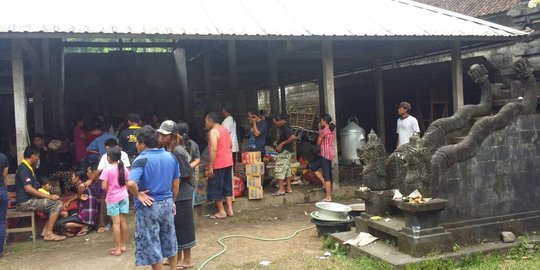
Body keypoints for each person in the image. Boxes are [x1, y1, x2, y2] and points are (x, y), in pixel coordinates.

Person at [127, 125, 180, 269]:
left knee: (151, 242)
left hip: (149, 206)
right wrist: (172, 201)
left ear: (143, 143)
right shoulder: (170, 157)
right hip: (167, 203)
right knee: (170, 237)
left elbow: (131, 183)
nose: (136, 146)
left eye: (137, 142)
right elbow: (176, 183)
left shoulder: (141, 159)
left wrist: (138, 195)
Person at [157, 120, 196, 269]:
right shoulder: (169, 150)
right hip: (175, 192)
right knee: (175, 226)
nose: (161, 137)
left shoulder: (178, 151)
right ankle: (176, 256)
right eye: (160, 134)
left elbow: (186, 173)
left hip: (183, 193)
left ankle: (187, 259)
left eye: (164, 135)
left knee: (184, 226)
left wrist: (172, 179)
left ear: (172, 136)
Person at [15, 147, 66, 241]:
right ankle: (49, 233)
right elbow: (28, 189)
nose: (38, 159)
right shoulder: (24, 169)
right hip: (25, 203)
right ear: (33, 156)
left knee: (54, 203)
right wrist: (49, 196)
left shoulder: (29, 168)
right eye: (38, 157)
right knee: (57, 204)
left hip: (30, 201)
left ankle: (44, 231)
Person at [100, 147, 130, 256]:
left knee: (116, 223)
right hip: (124, 196)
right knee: (123, 221)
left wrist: (111, 190)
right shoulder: (124, 168)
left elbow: (103, 186)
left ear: (109, 158)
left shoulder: (107, 170)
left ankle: (117, 248)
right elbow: (127, 183)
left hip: (113, 198)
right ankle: (123, 245)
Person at [205, 112, 234, 219]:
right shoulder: (225, 129)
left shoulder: (213, 132)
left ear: (211, 121)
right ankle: (230, 210)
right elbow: (231, 145)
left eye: (206, 121)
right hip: (228, 162)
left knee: (216, 187)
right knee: (227, 185)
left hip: (218, 164)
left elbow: (213, 149)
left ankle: (222, 212)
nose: (205, 124)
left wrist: (211, 166)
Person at [59, 170, 98, 237]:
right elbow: (78, 195)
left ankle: (84, 225)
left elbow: (79, 195)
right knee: (71, 212)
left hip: (85, 216)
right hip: (91, 216)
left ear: (77, 178)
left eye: (73, 176)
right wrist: (69, 201)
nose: (71, 178)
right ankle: (87, 225)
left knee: (59, 223)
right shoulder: (86, 185)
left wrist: (77, 198)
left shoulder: (81, 186)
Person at [310, 113, 336, 202]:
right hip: (329, 154)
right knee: (313, 167)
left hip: (325, 154)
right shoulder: (332, 130)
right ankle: (324, 183)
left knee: (327, 175)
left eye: (321, 121)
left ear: (324, 121)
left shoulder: (324, 131)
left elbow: (318, 143)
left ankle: (328, 197)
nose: (320, 122)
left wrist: (320, 130)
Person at [270, 115, 296, 196]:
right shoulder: (285, 126)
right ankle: (289, 188)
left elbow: (293, 137)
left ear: (280, 120)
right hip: (288, 152)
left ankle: (281, 189)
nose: (275, 124)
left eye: (276, 122)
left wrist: (281, 144)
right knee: (287, 170)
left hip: (284, 151)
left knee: (279, 169)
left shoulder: (285, 127)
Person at [0, 151, 9, 256]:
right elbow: (4, 175)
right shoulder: (3, 157)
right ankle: (0, 251)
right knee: (1, 222)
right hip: (2, 191)